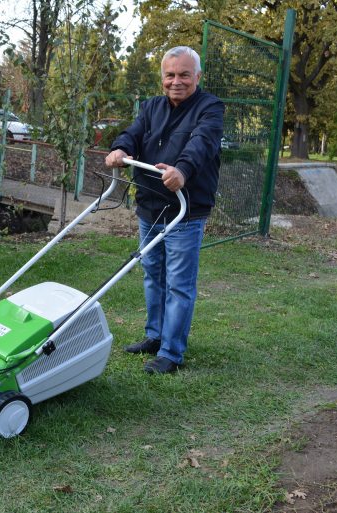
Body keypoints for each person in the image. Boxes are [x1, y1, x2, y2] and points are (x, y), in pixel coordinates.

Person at [104, 46, 224, 375]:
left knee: (179, 284)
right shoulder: (152, 107)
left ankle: (171, 352)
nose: (176, 81)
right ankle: (154, 336)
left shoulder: (209, 107)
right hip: (150, 206)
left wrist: (182, 170)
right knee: (153, 277)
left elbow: (203, 142)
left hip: (185, 211)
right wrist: (120, 147)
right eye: (170, 75)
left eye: (184, 74)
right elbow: (134, 132)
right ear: (162, 78)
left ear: (197, 77)